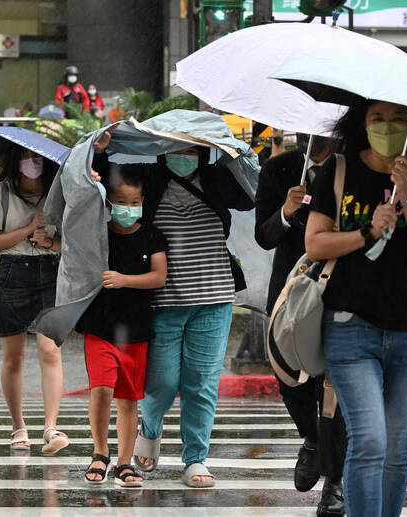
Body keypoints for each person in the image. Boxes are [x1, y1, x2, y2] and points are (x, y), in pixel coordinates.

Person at [305, 100, 407, 517]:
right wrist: (368, 230)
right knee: (369, 440)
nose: (387, 126)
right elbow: (315, 243)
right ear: (362, 122)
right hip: (350, 325)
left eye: (399, 119)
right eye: (378, 118)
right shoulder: (340, 169)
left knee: (393, 447)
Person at [92, 128, 254, 488]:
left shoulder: (216, 177)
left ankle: (195, 458)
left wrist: (236, 150)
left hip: (213, 296)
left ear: (202, 151)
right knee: (161, 381)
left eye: (192, 149)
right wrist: (100, 153)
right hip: (163, 300)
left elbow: (250, 196)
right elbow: (108, 183)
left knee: (200, 381)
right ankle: (150, 428)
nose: (184, 154)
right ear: (163, 149)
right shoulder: (150, 177)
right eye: (176, 147)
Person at [254, 133, 346, 516]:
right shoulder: (279, 169)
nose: (316, 136)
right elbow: (263, 235)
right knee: (290, 380)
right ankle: (312, 439)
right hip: (291, 294)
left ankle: (335, 485)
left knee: (336, 388)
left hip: (342, 289)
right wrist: (286, 213)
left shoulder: (350, 169)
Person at [76, 167, 168, 487]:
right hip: (99, 326)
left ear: (142, 201)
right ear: (108, 203)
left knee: (128, 399)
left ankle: (125, 462)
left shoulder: (152, 235)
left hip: (136, 330)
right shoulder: (97, 233)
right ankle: (100, 452)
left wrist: (124, 280)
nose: (127, 208)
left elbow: (159, 276)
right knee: (101, 389)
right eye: (120, 201)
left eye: (133, 202)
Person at [0, 144, 68, 454]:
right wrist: (27, 229)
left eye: (38, 157)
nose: (33, 163)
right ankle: (18, 425)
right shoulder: (1, 193)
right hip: (12, 274)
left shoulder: (58, 192)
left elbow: (69, 244)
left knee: (50, 350)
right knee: (14, 356)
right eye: (27, 158)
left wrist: (49, 240)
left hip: (50, 273)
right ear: (15, 161)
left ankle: (51, 427)